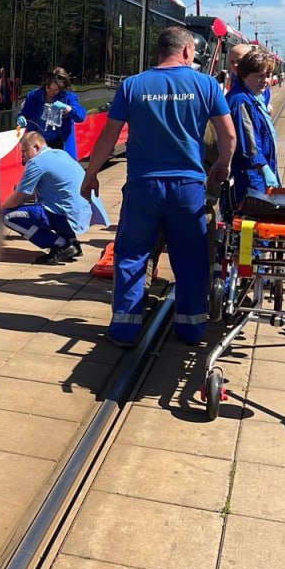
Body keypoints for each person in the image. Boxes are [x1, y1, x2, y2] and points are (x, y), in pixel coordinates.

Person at [81, 26, 236, 346]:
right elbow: (228, 135)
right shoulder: (206, 85)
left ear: (159, 51)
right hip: (188, 188)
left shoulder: (132, 85)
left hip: (143, 187)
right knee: (191, 258)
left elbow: (109, 137)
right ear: (187, 51)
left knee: (132, 255)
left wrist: (91, 174)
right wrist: (223, 163)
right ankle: (191, 327)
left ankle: (124, 328)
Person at [1, 131, 108, 265]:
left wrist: (0, 209)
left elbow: (20, 196)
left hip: (65, 214)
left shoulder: (37, 162)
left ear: (37, 147)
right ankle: (72, 243)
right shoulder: (61, 154)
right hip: (81, 212)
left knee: (7, 216)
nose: (23, 156)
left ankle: (61, 245)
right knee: (50, 205)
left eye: (24, 151)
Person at [226, 50, 280, 206]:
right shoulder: (241, 101)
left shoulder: (253, 98)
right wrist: (264, 169)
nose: (265, 81)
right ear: (244, 76)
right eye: (259, 76)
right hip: (250, 176)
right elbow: (250, 143)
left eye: (268, 75)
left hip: (255, 174)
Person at [17, 67, 88, 158]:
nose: (51, 92)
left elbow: (81, 116)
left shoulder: (68, 97)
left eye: (56, 90)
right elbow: (24, 113)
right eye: (49, 88)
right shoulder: (34, 96)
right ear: (45, 84)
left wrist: (67, 108)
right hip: (38, 145)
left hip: (60, 145)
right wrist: (20, 117)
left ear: (62, 88)